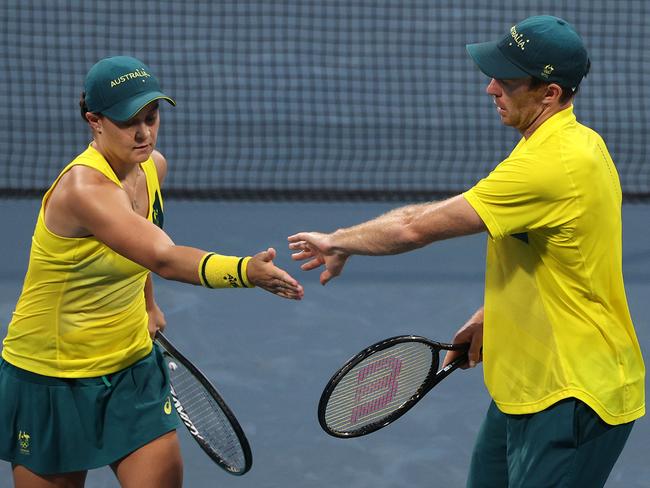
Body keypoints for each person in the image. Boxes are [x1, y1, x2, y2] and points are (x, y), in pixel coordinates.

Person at [288, 15, 644, 487]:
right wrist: (492, 315)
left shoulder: (553, 164)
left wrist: (338, 241)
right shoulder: (554, 142)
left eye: (507, 79)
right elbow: (559, 260)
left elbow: (415, 228)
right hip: (524, 382)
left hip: (573, 394)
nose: (490, 88)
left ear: (549, 93)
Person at [0, 55, 304, 488]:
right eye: (129, 122)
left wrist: (148, 304)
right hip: (53, 377)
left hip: (131, 367)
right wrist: (244, 271)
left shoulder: (152, 167)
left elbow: (141, 248)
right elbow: (163, 258)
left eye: (152, 116)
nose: (144, 133)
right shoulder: (84, 192)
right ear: (95, 121)